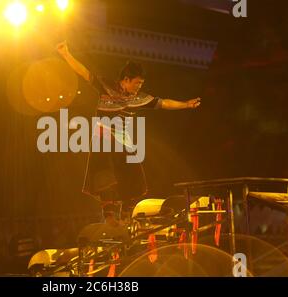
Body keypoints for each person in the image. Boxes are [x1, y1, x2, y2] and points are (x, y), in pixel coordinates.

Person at [56, 41, 201, 225]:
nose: (139, 87)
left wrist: (185, 104)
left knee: (132, 177)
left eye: (141, 83)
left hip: (123, 141)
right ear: (125, 80)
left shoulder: (138, 98)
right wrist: (66, 54)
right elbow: (84, 73)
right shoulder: (106, 86)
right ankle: (109, 217)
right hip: (104, 140)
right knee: (106, 177)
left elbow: (163, 103)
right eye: (137, 83)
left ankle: (125, 215)